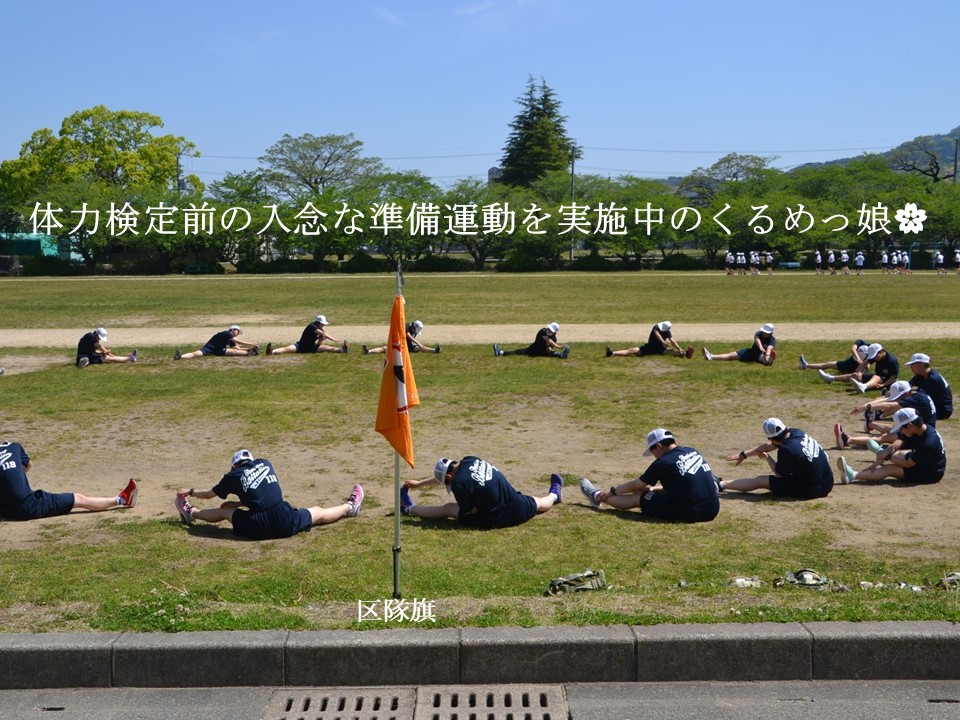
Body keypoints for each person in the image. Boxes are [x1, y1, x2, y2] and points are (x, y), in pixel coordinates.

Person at [174, 449, 364, 539]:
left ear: (233, 465)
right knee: (318, 512)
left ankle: (191, 513)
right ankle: (350, 506)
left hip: (258, 526)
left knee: (224, 512)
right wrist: (240, 503)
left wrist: (190, 491)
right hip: (284, 518)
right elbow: (265, 494)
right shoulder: (266, 463)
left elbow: (208, 494)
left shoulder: (232, 476)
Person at [578, 428, 719, 523]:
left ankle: (597, 496)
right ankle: (599, 496)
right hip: (712, 509)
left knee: (639, 497)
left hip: (691, 512)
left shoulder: (663, 462)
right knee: (650, 491)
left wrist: (611, 491)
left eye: (652, 451)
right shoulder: (692, 451)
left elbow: (635, 485)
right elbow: (683, 485)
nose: (653, 455)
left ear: (658, 446)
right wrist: (653, 489)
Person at [399, 456, 561, 529]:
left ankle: (408, 508)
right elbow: (445, 477)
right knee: (539, 501)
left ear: (449, 477)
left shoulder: (460, 484)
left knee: (448, 508)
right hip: (514, 501)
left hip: (497, 518)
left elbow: (472, 511)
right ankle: (555, 494)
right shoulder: (469, 460)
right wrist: (419, 484)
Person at [0, 440, 137, 520]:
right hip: (28, 505)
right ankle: (123, 499)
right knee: (80, 499)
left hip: (3, 509)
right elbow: (28, 466)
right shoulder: (14, 447)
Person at [719, 418, 833, 499]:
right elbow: (769, 446)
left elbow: (779, 474)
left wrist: (767, 458)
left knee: (761, 480)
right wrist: (744, 454)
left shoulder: (787, 449)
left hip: (813, 489)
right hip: (828, 482)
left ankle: (720, 485)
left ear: (771, 437)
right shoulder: (796, 432)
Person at [836, 408, 945, 485]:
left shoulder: (928, 442)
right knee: (898, 453)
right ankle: (880, 451)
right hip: (925, 461)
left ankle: (852, 475)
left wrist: (887, 456)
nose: (900, 431)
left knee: (889, 468)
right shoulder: (920, 429)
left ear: (910, 425)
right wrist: (882, 456)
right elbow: (899, 441)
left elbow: (908, 464)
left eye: (901, 428)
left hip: (929, 473)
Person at [835, 380, 937, 449]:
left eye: (898, 397)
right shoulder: (918, 393)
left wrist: (866, 407)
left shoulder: (914, 399)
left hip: (921, 437)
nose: (897, 399)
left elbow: (890, 404)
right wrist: (866, 405)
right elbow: (888, 400)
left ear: (905, 394)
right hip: (921, 429)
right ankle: (870, 424)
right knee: (894, 427)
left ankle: (847, 440)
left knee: (884, 437)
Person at [816, 343, 898, 393]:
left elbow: (893, 378)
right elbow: (865, 363)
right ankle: (830, 378)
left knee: (876, 377)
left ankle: (864, 387)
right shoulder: (877, 356)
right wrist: (859, 372)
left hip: (886, 382)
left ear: (881, 351)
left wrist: (882, 385)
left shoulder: (892, 361)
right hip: (877, 377)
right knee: (855, 375)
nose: (875, 358)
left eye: (876, 356)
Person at [606, 321, 694, 359]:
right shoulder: (656, 328)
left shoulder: (666, 331)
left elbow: (672, 340)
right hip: (651, 348)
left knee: (673, 351)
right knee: (631, 350)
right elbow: (657, 334)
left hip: (657, 349)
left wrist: (679, 348)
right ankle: (612, 353)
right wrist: (663, 342)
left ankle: (686, 353)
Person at [267, 315, 348, 355]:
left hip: (311, 347)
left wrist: (318, 344)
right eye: (322, 323)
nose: (323, 325)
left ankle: (342, 350)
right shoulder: (312, 326)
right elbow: (323, 333)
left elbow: (320, 340)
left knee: (328, 348)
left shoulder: (320, 329)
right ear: (318, 322)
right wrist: (334, 339)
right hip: (301, 346)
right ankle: (272, 351)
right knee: (286, 349)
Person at [702, 323, 777, 365]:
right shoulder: (759, 333)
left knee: (764, 359)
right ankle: (710, 356)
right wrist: (760, 346)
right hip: (751, 352)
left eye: (766, 332)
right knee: (731, 355)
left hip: (760, 355)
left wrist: (767, 355)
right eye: (764, 331)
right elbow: (757, 339)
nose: (764, 333)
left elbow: (770, 348)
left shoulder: (772, 340)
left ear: (771, 333)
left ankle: (768, 360)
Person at [907, 352, 952, 420]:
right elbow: (908, 386)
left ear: (921, 364)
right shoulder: (922, 375)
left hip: (942, 411)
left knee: (907, 404)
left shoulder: (933, 379)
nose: (911, 367)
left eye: (913, 364)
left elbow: (918, 396)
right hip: (934, 406)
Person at [174, 325, 259, 360]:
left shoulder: (230, 338)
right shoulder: (227, 333)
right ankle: (180, 356)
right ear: (233, 330)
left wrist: (249, 349)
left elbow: (237, 348)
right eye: (238, 331)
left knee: (236, 352)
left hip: (220, 350)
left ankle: (252, 353)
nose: (238, 333)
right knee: (195, 354)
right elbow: (238, 341)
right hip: (209, 348)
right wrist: (252, 344)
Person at [494, 322, 569, 359]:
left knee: (519, 352)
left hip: (541, 352)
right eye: (549, 328)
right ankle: (501, 352)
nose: (549, 330)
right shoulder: (542, 331)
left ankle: (500, 353)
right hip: (534, 349)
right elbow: (549, 340)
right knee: (519, 352)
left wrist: (547, 346)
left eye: (551, 330)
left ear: (555, 332)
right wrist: (560, 347)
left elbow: (549, 350)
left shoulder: (554, 338)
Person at [364, 319, 440, 355]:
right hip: (399, 345)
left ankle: (435, 350)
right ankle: (368, 351)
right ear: (413, 327)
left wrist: (419, 345)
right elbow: (408, 336)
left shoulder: (414, 329)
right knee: (384, 348)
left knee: (421, 348)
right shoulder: (406, 326)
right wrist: (419, 344)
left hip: (408, 347)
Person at [799, 339, 870, 373]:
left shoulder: (870, 352)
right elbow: (853, 349)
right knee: (828, 364)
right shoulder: (860, 342)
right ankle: (806, 365)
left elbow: (868, 366)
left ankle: (806, 365)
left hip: (854, 368)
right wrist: (858, 358)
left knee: (827, 364)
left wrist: (863, 364)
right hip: (846, 364)